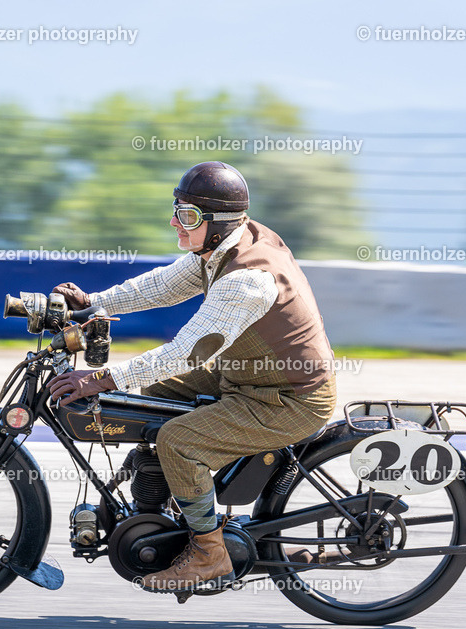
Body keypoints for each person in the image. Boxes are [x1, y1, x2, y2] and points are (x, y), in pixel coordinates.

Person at [47, 161, 336, 593]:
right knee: (153, 397)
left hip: (287, 398)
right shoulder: (219, 249)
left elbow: (186, 353)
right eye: (176, 210)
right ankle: (170, 503)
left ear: (216, 223)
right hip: (246, 375)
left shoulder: (247, 279)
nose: (174, 223)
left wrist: (100, 379)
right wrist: (92, 303)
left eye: (187, 216)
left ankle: (208, 552)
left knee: (178, 440)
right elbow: (160, 287)